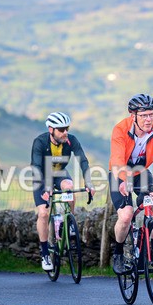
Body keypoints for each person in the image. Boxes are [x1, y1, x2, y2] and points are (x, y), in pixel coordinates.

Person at [109, 93, 153, 275]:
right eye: (143, 116)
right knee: (126, 216)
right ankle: (118, 252)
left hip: (140, 172)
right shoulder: (120, 130)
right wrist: (123, 180)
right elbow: (117, 158)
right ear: (133, 116)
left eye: (151, 114)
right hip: (119, 173)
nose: (149, 119)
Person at [31, 112, 95, 272]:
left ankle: (69, 221)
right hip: (42, 177)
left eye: (67, 128)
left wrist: (88, 182)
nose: (65, 132)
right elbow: (36, 167)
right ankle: (45, 253)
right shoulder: (40, 142)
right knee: (43, 214)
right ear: (51, 130)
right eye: (61, 130)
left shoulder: (71, 140)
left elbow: (83, 160)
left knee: (69, 186)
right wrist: (45, 188)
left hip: (59, 173)